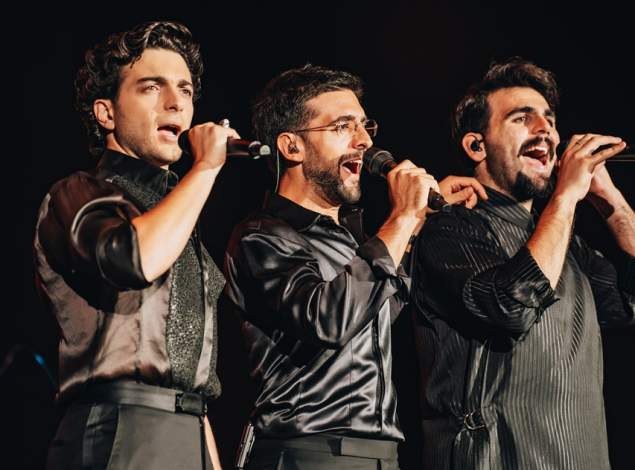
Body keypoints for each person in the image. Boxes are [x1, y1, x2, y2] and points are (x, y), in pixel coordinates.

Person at [224, 64, 485, 469]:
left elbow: (383, 311)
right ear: (291, 146)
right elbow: (328, 319)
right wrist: (402, 217)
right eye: (343, 126)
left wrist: (416, 221)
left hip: (380, 455)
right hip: (308, 452)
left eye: (365, 126)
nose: (364, 141)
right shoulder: (261, 236)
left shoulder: (352, 241)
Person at [410, 57, 635, 469]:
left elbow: (627, 307)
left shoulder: (568, 245)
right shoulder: (451, 225)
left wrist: (615, 207)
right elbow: (509, 306)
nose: (545, 129)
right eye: (522, 118)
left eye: (550, 119)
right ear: (476, 146)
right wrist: (566, 195)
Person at [33, 21, 237, 469]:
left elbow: (192, 375)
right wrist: (205, 169)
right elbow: (135, 258)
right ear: (106, 113)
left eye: (185, 89)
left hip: (190, 434)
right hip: (119, 429)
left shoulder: (178, 212)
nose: (176, 102)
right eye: (152, 87)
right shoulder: (79, 193)